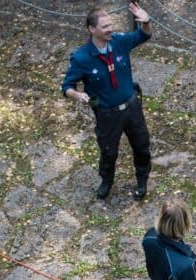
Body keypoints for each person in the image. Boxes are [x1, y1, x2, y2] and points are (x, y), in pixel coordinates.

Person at [61, 2, 153, 200]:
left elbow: (143, 35)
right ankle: (106, 182)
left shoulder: (119, 41)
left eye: (111, 24)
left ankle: (142, 180)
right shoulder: (81, 57)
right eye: (105, 26)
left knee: (141, 145)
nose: (110, 29)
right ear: (91, 29)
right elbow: (66, 86)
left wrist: (146, 22)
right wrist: (78, 95)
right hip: (106, 113)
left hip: (131, 106)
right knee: (108, 152)